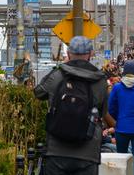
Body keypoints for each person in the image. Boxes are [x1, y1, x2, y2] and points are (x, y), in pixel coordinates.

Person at [34, 36, 108, 175]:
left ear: (68, 54)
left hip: (56, 151)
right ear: (91, 54)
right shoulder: (100, 81)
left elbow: (38, 92)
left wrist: (59, 67)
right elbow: (103, 112)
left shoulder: (58, 75)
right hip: (87, 152)